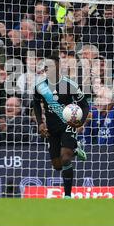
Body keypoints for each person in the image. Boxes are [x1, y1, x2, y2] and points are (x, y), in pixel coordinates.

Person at [33, 55, 89, 199]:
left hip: (68, 126)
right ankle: (75, 149)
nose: (47, 69)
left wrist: (80, 122)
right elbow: (35, 105)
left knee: (65, 159)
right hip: (52, 128)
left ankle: (68, 196)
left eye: (50, 66)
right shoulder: (40, 86)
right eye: (46, 66)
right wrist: (40, 123)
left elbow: (84, 105)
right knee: (57, 165)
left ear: (58, 67)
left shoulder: (69, 84)